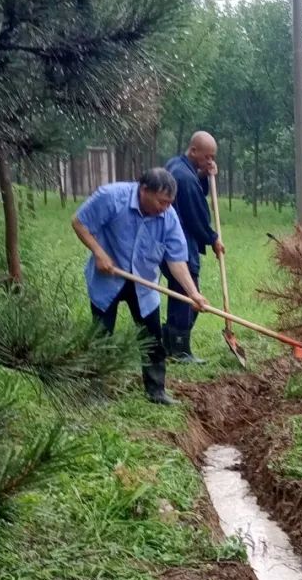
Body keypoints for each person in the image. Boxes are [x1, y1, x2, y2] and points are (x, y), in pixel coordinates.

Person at [72, 168, 208, 406]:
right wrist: (99, 253)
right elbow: (79, 222)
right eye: (161, 201)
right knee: (101, 337)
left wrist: (193, 293)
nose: (165, 208)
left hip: (144, 283)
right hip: (108, 278)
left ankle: (156, 391)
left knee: (152, 338)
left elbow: (176, 259)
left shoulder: (169, 217)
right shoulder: (112, 197)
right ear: (144, 190)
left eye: (169, 203)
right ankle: (96, 391)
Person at [163, 131, 226, 363]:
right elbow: (197, 217)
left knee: (179, 293)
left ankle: (168, 342)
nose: (210, 161)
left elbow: (194, 191)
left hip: (170, 240)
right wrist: (213, 238)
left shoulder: (177, 165)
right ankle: (180, 350)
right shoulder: (186, 179)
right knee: (189, 297)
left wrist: (204, 175)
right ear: (193, 151)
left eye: (212, 157)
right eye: (207, 157)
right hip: (181, 243)